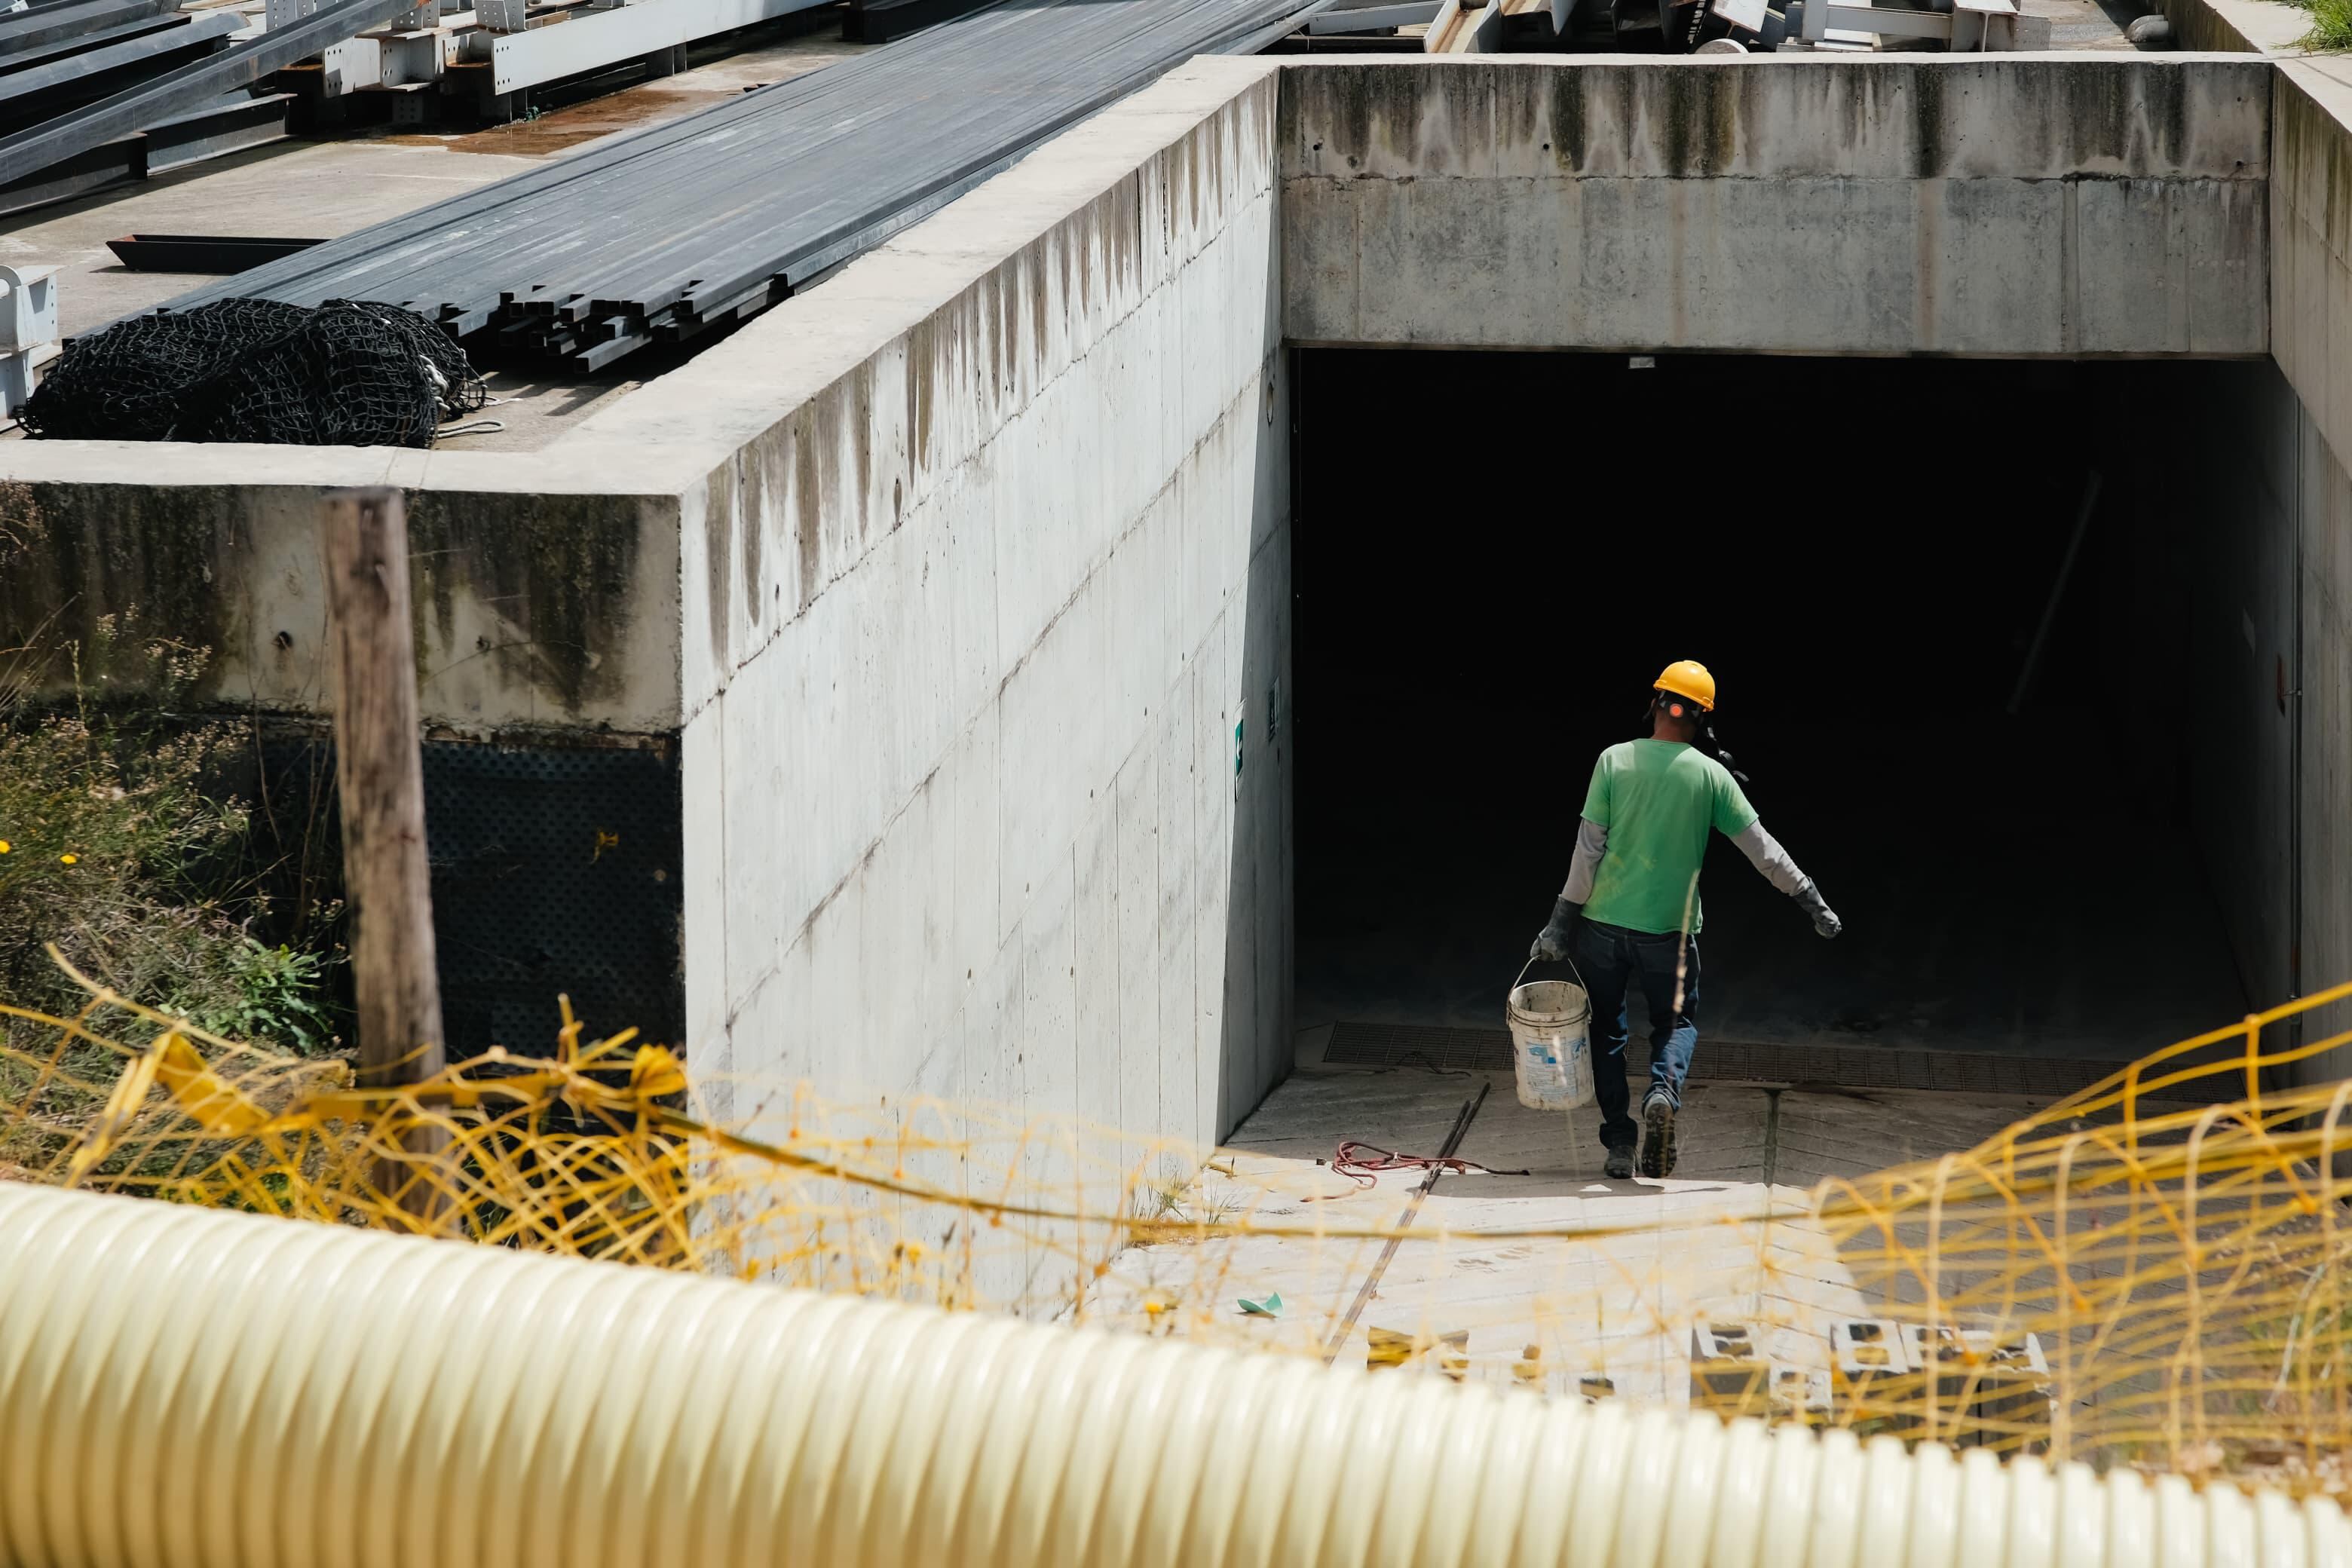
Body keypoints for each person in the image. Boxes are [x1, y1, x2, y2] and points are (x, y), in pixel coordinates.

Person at [1528, 660, 1841, 1180]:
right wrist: (1810, 897)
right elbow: (1763, 852)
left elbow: (1587, 853)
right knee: (1675, 1023)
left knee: (1606, 1031)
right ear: (1701, 719)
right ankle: (1662, 1093)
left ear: (1656, 704)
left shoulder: (1614, 760)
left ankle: (1621, 1144)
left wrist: (1561, 922)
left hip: (1602, 929)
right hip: (1668, 937)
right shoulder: (1712, 776)